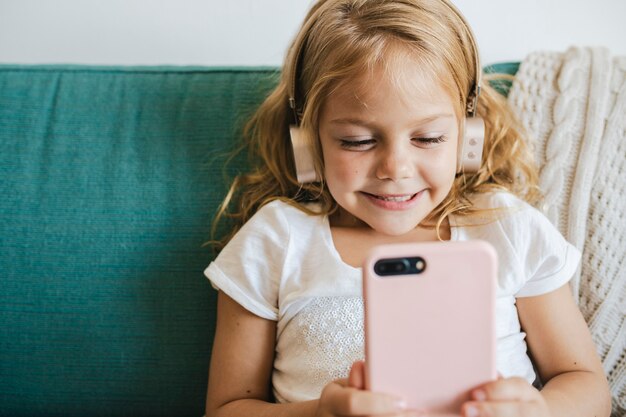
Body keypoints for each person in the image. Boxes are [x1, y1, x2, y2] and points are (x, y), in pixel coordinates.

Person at [203, 0, 611, 416]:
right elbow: (227, 408)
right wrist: (320, 412)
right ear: (307, 141)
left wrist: (539, 411)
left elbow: (586, 385)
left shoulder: (506, 227)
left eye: (429, 138)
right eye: (358, 141)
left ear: (468, 136)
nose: (395, 169)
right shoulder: (276, 240)